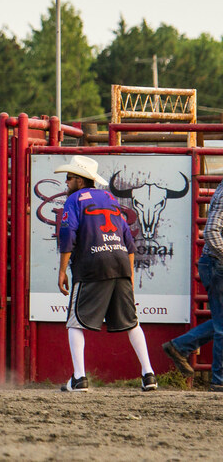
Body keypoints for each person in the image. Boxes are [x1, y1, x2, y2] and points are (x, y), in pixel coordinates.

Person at [55, 155, 157, 392]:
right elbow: (128, 240)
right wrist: (129, 275)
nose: (66, 182)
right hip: (120, 262)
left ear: (80, 181)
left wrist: (62, 271)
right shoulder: (110, 198)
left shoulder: (74, 200)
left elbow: (68, 235)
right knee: (132, 321)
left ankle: (79, 378)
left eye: (69, 178)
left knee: (74, 322)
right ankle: (148, 374)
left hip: (92, 264)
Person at [162, 179, 223, 392]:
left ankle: (180, 346)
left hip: (215, 262)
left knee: (221, 320)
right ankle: (219, 380)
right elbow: (212, 232)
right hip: (218, 263)